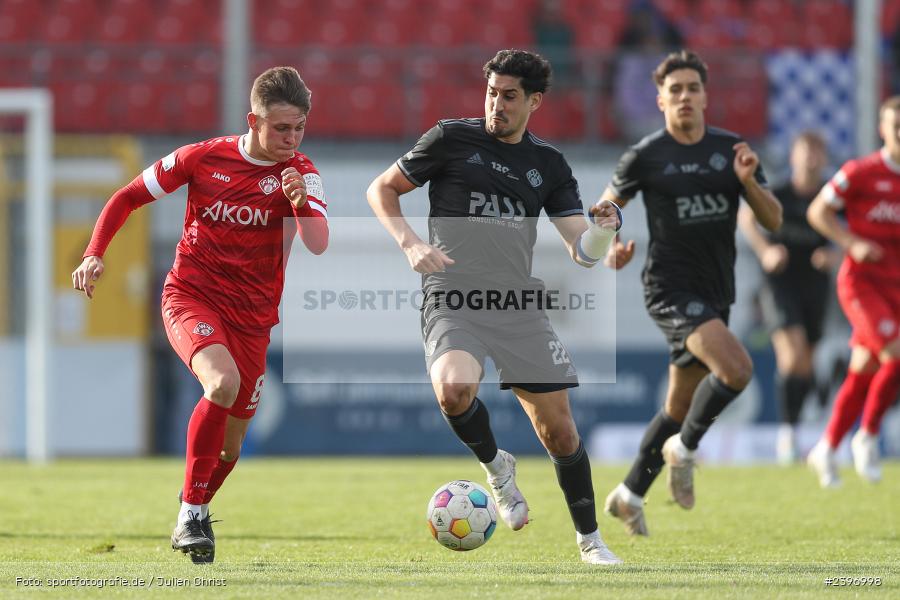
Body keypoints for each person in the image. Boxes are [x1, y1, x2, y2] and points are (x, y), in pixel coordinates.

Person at [367, 49, 623, 565]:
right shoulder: (450, 138)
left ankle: (590, 542)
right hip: (453, 297)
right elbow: (382, 189)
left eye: (509, 96)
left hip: (517, 304)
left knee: (560, 432)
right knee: (454, 389)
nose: (496, 104)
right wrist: (410, 242)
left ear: (534, 102)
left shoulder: (547, 164)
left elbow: (583, 250)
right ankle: (497, 468)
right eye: (491, 93)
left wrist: (603, 230)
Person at [71, 66, 329, 562]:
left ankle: (194, 510)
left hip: (254, 318)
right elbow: (127, 196)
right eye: (280, 128)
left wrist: (300, 204)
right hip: (192, 296)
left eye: (298, 128)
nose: (290, 138)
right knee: (221, 383)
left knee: (229, 451)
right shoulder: (203, 157)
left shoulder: (303, 174)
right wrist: (94, 252)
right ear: (251, 120)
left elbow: (318, 244)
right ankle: (191, 513)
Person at [600, 50, 782, 536]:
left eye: (692, 89)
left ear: (705, 97)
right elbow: (605, 209)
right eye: (675, 90)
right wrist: (611, 247)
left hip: (716, 291)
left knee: (677, 407)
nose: (684, 96)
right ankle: (684, 450)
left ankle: (629, 493)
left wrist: (749, 183)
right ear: (660, 100)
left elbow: (773, 219)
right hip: (669, 290)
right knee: (737, 368)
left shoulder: (732, 151)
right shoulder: (646, 155)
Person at [805, 96, 900, 488]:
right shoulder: (860, 172)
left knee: (864, 369)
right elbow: (818, 211)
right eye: (896, 125)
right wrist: (849, 242)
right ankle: (868, 435)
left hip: (896, 287)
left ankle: (826, 448)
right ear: (883, 128)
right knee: (895, 353)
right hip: (860, 283)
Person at [738, 131, 838, 465]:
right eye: (805, 150)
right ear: (793, 156)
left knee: (806, 362)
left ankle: (798, 432)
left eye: (817, 151)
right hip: (780, 283)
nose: (811, 158)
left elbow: (852, 230)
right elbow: (746, 217)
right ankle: (787, 436)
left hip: (815, 284)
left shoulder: (832, 196)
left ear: (824, 158)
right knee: (793, 357)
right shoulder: (778, 192)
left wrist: (836, 255)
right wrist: (766, 250)